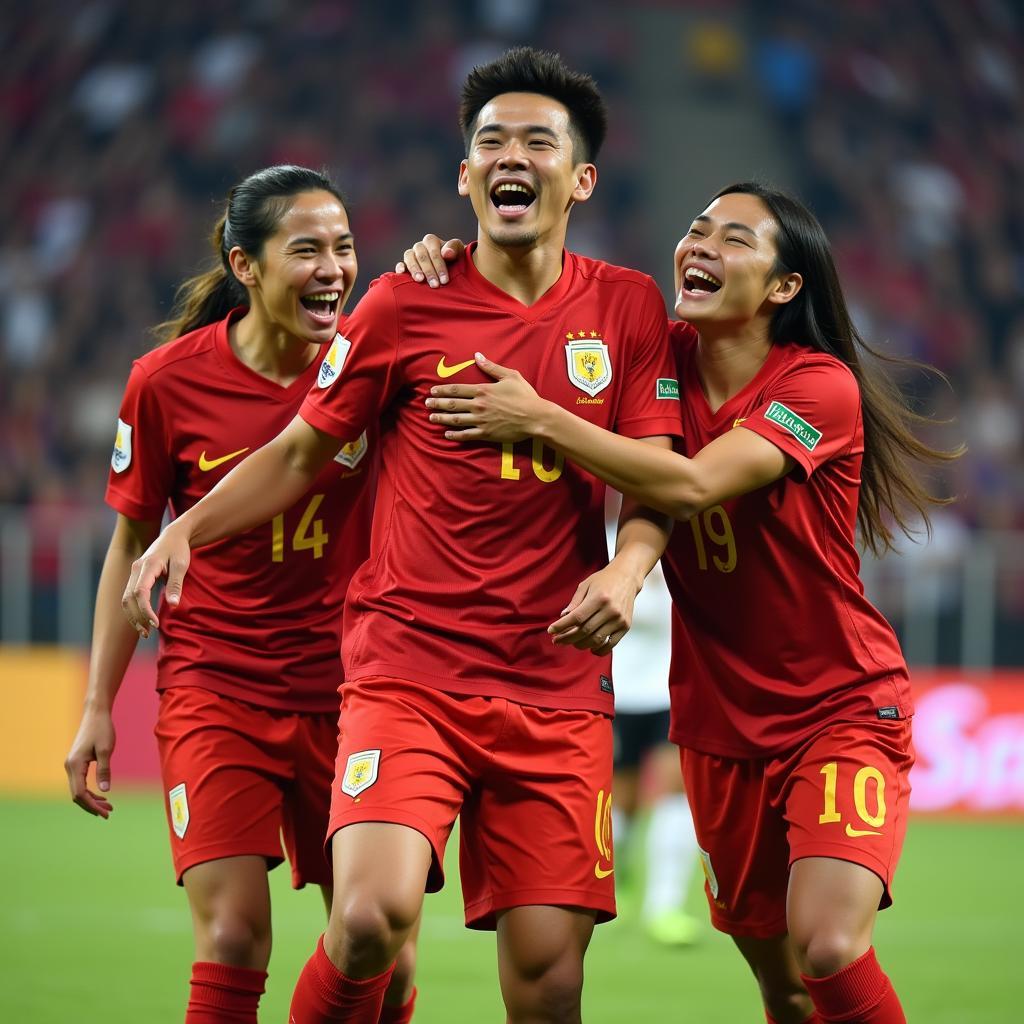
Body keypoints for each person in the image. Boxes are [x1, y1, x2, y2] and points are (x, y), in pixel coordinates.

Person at [120, 48, 683, 1024]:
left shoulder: (627, 306)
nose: (511, 155)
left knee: (548, 979)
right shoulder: (397, 302)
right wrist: (186, 531)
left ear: (580, 178)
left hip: (551, 683)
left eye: (536, 141)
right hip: (406, 668)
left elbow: (656, 476)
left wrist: (630, 569)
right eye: (490, 142)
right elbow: (300, 451)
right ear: (465, 177)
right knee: (370, 917)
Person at [414, 181, 963, 1024]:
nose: (701, 245)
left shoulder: (818, 389)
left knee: (827, 947)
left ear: (784, 287)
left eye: (734, 238)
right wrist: (449, 267)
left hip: (838, 707)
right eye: (697, 227)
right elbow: (533, 317)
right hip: (718, 728)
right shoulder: (651, 356)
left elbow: (694, 482)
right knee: (782, 983)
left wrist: (545, 420)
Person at [64, 165, 418, 1024]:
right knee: (232, 937)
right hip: (215, 688)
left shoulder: (375, 371)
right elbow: (130, 547)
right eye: (307, 250)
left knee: (387, 955)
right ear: (246, 265)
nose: (334, 267)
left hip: (357, 694)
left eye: (344, 247)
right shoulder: (166, 382)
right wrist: (97, 706)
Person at [605, 492, 701, 948]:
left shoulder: (676, 537)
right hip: (615, 688)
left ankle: (664, 907)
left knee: (673, 790)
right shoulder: (605, 541)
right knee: (620, 800)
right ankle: (616, 882)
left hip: (668, 687)